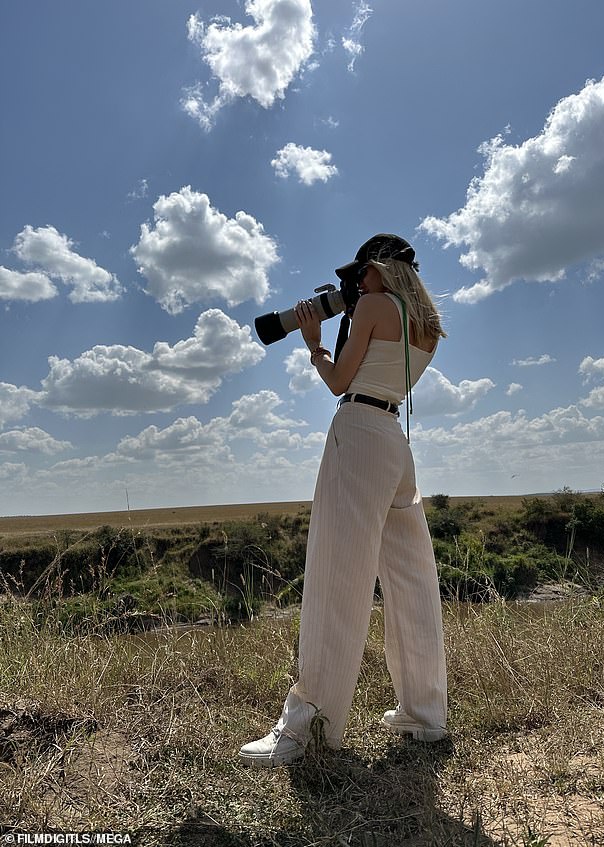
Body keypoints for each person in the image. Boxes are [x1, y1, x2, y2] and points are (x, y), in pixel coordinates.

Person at [239, 234, 448, 767]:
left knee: (336, 576)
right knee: (411, 578)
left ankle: (308, 725)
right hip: (394, 440)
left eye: (361, 274)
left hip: (357, 432)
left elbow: (337, 381)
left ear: (379, 270)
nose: (356, 284)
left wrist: (314, 341)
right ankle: (424, 715)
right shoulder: (427, 324)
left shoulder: (376, 305)